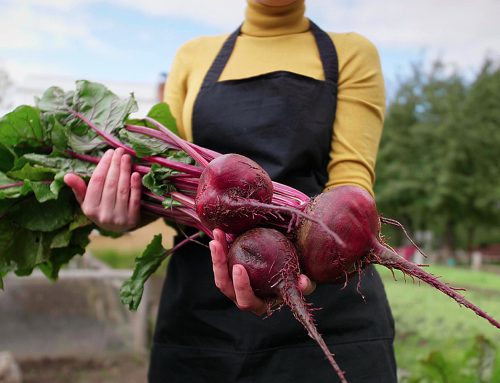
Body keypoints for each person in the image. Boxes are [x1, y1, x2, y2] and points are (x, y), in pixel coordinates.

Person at [65, 0, 397, 381]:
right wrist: (121, 214)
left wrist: (309, 255)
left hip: (328, 294)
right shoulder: (193, 56)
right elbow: (166, 177)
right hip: (200, 317)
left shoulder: (351, 52)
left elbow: (350, 182)